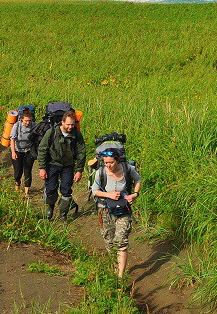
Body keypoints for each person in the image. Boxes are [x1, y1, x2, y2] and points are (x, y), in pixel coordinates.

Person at [91, 150, 142, 278]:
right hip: (105, 210)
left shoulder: (127, 169)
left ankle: (120, 276)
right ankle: (114, 267)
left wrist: (135, 194)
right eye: (105, 162)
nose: (108, 165)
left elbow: (138, 179)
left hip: (123, 210)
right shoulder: (100, 172)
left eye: (111, 162)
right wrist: (108, 194)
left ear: (118, 160)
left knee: (121, 241)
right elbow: (95, 191)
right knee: (109, 241)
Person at [37, 110, 86, 221]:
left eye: (72, 124)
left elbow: (81, 152)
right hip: (52, 165)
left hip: (68, 166)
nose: (70, 127)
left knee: (66, 190)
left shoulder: (76, 134)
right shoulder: (52, 132)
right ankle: (50, 210)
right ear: (62, 122)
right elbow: (42, 149)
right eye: (68, 124)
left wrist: (79, 170)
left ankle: (63, 214)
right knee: (50, 189)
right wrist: (42, 168)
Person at [10, 108, 35, 196]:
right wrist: (13, 152)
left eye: (29, 121)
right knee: (18, 173)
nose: (27, 123)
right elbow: (12, 139)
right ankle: (17, 184)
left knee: (28, 171)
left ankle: (26, 192)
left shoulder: (33, 126)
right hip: (18, 150)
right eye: (26, 121)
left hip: (28, 151)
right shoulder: (17, 126)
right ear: (21, 119)